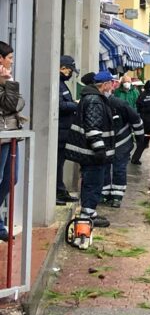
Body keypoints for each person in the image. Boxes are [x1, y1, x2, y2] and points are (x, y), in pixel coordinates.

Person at [81, 74, 144, 208]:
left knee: (119, 168)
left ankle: (116, 196)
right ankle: (104, 194)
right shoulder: (97, 103)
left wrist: (140, 140)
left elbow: (136, 120)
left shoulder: (119, 103)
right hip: (106, 142)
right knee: (104, 168)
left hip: (122, 141)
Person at [65, 71, 116, 228]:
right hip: (92, 153)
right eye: (111, 84)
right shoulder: (95, 101)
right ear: (105, 84)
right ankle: (87, 215)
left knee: (93, 182)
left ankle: (90, 211)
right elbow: (93, 128)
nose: (112, 88)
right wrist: (100, 150)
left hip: (91, 152)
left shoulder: (93, 98)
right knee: (94, 182)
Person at [0, 42, 25, 241]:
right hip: (2, 136)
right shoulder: (4, 79)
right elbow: (11, 104)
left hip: (10, 134)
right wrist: (7, 81)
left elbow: (18, 103)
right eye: (9, 58)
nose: (12, 62)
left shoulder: (5, 79)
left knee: (11, 178)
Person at [56, 55, 80, 205]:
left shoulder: (62, 84)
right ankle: (56, 193)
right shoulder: (56, 84)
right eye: (70, 70)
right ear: (63, 68)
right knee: (57, 163)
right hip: (59, 130)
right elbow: (60, 105)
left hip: (64, 131)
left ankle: (60, 190)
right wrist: (76, 105)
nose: (70, 74)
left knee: (60, 163)